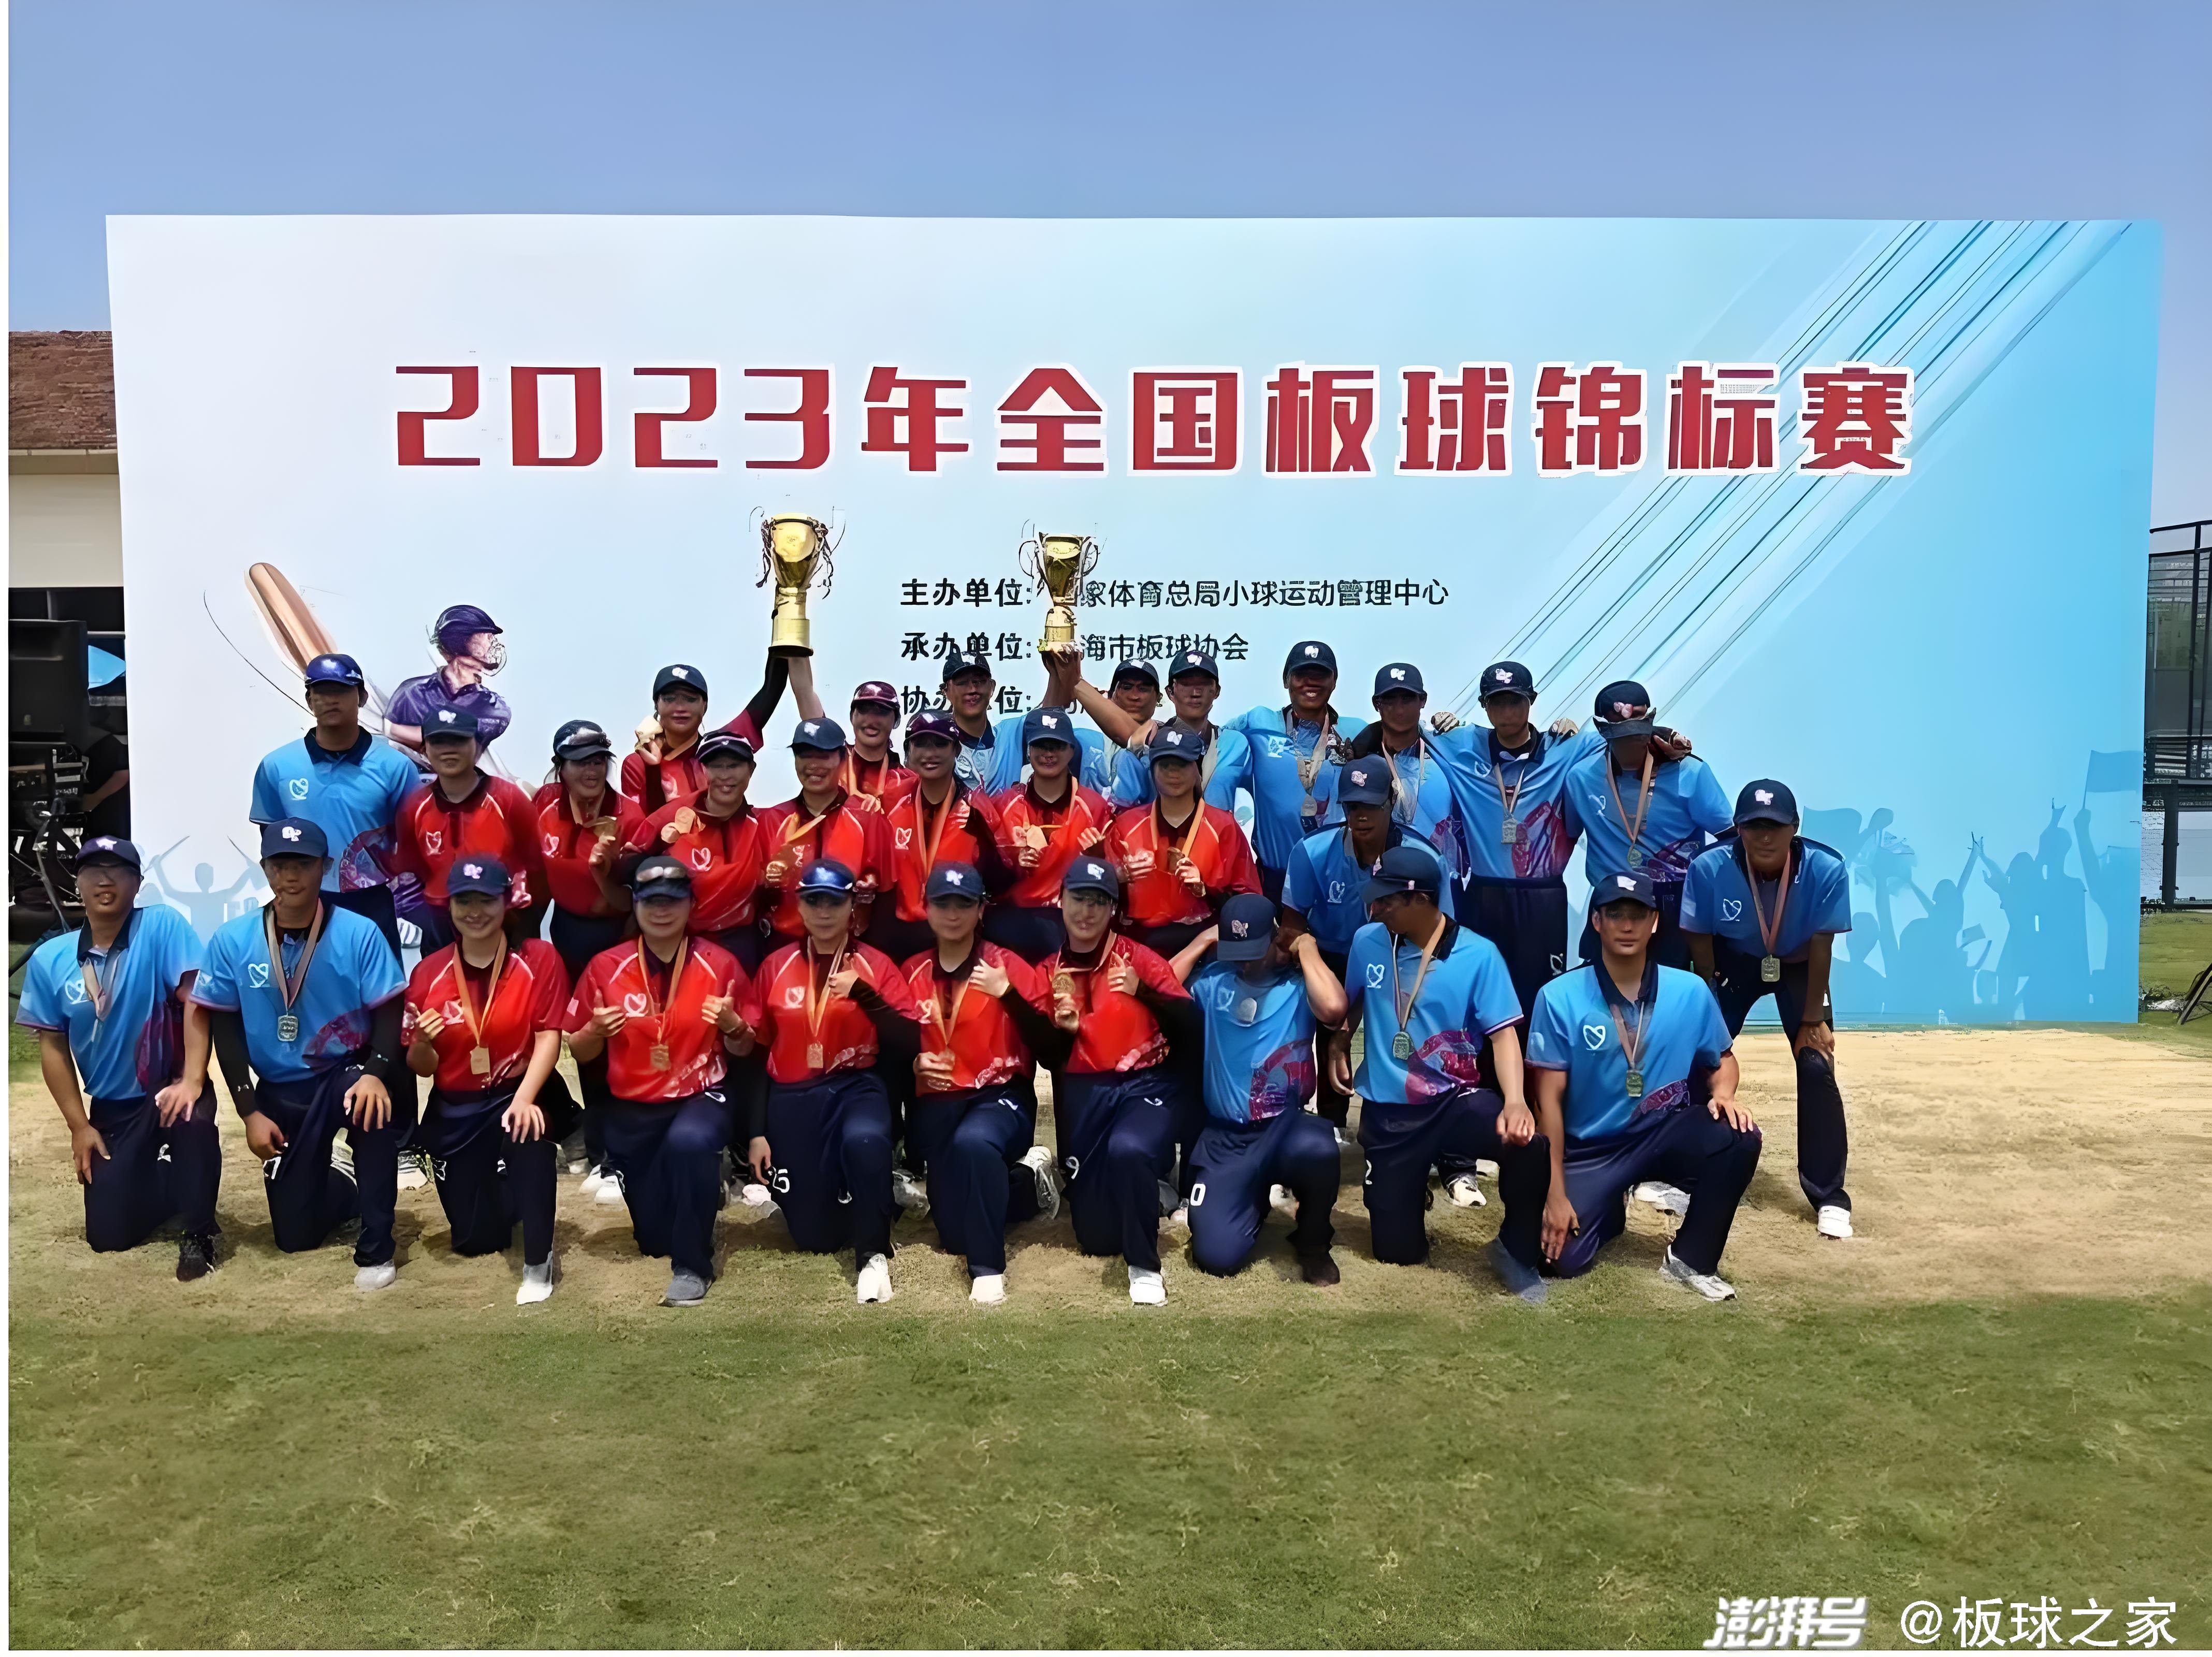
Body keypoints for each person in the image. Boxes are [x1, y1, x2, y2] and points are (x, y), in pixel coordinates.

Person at [184, 818, 411, 1290]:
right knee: (294, 1238)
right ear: (265, 867)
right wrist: (249, 1111)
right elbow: (225, 1028)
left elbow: (390, 1013)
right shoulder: (233, 939)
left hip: (343, 1072)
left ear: (324, 867)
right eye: (280, 864)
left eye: (303, 864)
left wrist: (375, 1073)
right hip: (280, 1089)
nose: (291, 876)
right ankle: (342, 1183)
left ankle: (377, 1247)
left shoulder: (359, 933)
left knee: (370, 1106)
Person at [1325, 845, 1551, 1300]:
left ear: (1422, 899)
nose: (1375, 908)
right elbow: (1355, 1000)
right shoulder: (1367, 941)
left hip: (1455, 1102)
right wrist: (1339, 1042)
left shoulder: (1479, 955)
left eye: (1387, 900)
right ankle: (1407, 1191)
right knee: (1396, 1253)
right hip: (1389, 1113)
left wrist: (1514, 1101)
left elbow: (1504, 1036)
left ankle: (1515, 1249)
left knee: (1529, 1146)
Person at [1526, 870, 1763, 1301]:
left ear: (1655, 922)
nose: (1627, 925)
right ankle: (1609, 1207)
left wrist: (1724, 1093)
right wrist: (1554, 1194)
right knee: (1558, 1260)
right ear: (1596, 921)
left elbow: (1723, 1060)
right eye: (1615, 914)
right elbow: (1548, 1105)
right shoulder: (1558, 997)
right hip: (1591, 1148)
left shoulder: (1690, 991)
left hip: (1662, 1132)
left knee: (1739, 1136)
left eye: (1638, 915)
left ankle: (1691, 1259)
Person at [16, 836, 220, 1279]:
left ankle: (199, 1231)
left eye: (119, 872)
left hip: (167, 1087)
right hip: (112, 1106)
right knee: (107, 1237)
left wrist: (193, 1080)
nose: (105, 881)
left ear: (138, 883)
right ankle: (170, 1179)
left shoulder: (161, 926)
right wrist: (79, 1127)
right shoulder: (50, 959)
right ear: (78, 884)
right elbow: (52, 1047)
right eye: (93, 872)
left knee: (193, 1117)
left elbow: (195, 1001)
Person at [563, 855, 755, 1306]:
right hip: (635, 1107)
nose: (662, 910)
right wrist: (594, 1032)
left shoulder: (720, 964)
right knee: (653, 1240)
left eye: (673, 900)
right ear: (634, 904)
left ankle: (693, 1268)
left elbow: (746, 1047)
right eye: (651, 901)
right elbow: (580, 1050)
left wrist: (733, 1026)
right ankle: (704, 1190)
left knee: (691, 1141)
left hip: (702, 1094)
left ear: (691, 904)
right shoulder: (605, 967)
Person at [743, 860, 926, 1304]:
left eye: (834, 902)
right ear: (800, 907)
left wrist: (864, 994)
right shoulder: (775, 966)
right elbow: (759, 1054)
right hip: (793, 1097)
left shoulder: (876, 964)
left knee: (865, 1141)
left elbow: (909, 1041)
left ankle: (873, 1255)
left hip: (855, 1087)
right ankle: (874, 1194)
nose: (824, 912)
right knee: (815, 1238)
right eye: (814, 901)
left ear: (852, 907)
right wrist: (756, 1132)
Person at [1682, 780, 1854, 1239]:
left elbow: (1822, 946)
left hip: (1798, 965)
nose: (1764, 836)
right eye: (1753, 826)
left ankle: (1830, 1195)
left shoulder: (1826, 868)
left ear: (1794, 828)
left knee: (1816, 1063)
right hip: (1733, 962)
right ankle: (1683, 1172)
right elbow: (1697, 934)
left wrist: (1813, 1020)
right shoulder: (1708, 866)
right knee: (1699, 1056)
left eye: (1775, 826)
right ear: (1737, 828)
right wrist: (1709, 991)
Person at [402, 857, 576, 1304]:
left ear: (507, 902)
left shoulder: (538, 958)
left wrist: (525, 1099)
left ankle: (538, 1265)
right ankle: (506, 1183)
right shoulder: (428, 973)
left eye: (486, 900)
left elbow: (548, 1036)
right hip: (455, 1109)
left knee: (529, 1131)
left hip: (512, 1093)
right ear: (449, 906)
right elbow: (423, 1066)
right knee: (475, 1240)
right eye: (464, 901)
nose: (475, 912)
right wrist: (422, 1042)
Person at [898, 862, 1067, 1303]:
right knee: (955, 1233)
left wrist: (1008, 994)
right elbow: (893, 1047)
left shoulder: (1008, 965)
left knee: (976, 1143)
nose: (953, 914)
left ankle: (988, 1271)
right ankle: (1029, 1184)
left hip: (1000, 1097)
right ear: (927, 909)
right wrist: (913, 1063)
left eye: (964, 903)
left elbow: (1051, 1049)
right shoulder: (912, 971)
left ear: (981, 910)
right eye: (943, 903)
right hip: (940, 1105)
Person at [1038, 857, 1201, 1305]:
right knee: (1096, 1239)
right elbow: (1046, 1057)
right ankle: (1151, 1190)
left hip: (1144, 1087)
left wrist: (1143, 991)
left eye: (1099, 901)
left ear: (1113, 909)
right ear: (1060, 900)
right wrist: (1062, 1031)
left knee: (1129, 1149)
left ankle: (1145, 1268)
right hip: (1085, 1093)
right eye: (1078, 899)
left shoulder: (1139, 959)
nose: (1086, 911)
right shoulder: (1048, 971)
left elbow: (1193, 1027)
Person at [1176, 893, 1349, 1284]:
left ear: (1275, 941)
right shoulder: (1214, 982)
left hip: (1285, 1127)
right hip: (1227, 1139)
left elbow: (1335, 1008)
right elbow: (1161, 987)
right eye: (1236, 952)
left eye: (1254, 952)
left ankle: (1313, 1242)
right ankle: (1250, 1200)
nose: (1244, 962)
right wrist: (1203, 941)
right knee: (1216, 1257)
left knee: (1320, 1149)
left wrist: (1307, 946)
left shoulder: (1298, 986)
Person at [1279, 758, 1454, 1132]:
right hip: (1332, 956)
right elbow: (1291, 928)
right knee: (1328, 1012)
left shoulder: (1425, 858)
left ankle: (1410, 1115)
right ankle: (1329, 1123)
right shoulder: (1312, 851)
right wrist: (1313, 964)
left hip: (1399, 956)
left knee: (1408, 1023)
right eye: (1353, 805)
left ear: (1390, 802)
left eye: (1372, 805)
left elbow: (1441, 936)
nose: (1361, 816)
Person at [532, 719, 645, 1196]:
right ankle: (597, 1148)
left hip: (619, 934)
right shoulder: (543, 807)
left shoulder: (630, 816)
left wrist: (607, 874)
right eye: (580, 762)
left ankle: (625, 1148)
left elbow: (634, 900)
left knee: (623, 1038)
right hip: (567, 930)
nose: (591, 770)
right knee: (583, 1039)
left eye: (599, 760)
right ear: (561, 768)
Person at [248, 651, 417, 956]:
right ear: (309, 700)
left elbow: (412, 842)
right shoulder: (277, 766)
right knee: (304, 984)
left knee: (381, 986)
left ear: (362, 697)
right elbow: (272, 842)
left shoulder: (396, 767)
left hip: (372, 901)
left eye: (341, 690)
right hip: (303, 902)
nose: (331, 700)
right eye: (322, 692)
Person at [1563, 680, 1732, 969]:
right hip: (1612, 897)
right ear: (1603, 732)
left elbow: (1730, 839)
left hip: (1673, 899)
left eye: (1639, 734)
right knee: (1603, 986)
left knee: (1672, 986)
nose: (1632, 744)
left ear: (1651, 726)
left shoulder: (1688, 772)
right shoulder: (1581, 778)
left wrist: (1709, 893)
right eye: (1621, 737)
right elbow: (1567, 834)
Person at [1219, 641, 1365, 899]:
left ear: (1334, 681)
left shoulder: (1356, 731)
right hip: (1275, 876)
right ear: (1286, 680)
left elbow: (1400, 738)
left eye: (1321, 675)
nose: (1311, 682)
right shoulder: (1258, 721)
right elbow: (1209, 736)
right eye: (1301, 674)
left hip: (1338, 877)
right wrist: (1165, 728)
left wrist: (1434, 729)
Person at [389, 707, 544, 949]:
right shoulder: (414, 808)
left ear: (478, 747)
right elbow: (412, 871)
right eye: (438, 741)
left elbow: (538, 872)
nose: (449, 749)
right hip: (442, 931)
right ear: (424, 749)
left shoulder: (510, 801)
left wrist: (524, 933)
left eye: (459, 740)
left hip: (504, 927)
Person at [1104, 725, 1262, 960]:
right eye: (1165, 765)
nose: (1173, 773)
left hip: (1206, 951)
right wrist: (1118, 877)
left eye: (1182, 764)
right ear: (1152, 770)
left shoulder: (1224, 827)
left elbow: (1249, 900)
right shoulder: (1126, 826)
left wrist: (1206, 889)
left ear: (1198, 770)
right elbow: (1098, 897)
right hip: (1138, 950)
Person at [868, 709, 1010, 964]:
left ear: (957, 750)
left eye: (940, 744)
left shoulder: (978, 811)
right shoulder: (888, 800)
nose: (930, 753)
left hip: (952, 936)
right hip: (895, 934)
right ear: (908, 750)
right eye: (921, 744)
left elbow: (1001, 883)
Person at [627, 730, 771, 968]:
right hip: (680, 943)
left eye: (734, 766)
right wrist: (606, 863)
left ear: (751, 769)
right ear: (703, 769)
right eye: (716, 766)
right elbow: (628, 868)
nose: (725, 775)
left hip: (741, 943)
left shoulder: (763, 823)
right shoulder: (673, 815)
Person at [983, 706, 1116, 964]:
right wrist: (1012, 862)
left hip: (1074, 920)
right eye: (1041, 745)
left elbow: (1114, 879)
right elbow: (988, 877)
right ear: (1028, 751)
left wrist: (1099, 857)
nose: (1048, 753)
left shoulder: (1095, 808)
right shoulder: (1003, 806)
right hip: (1013, 919)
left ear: (1072, 750)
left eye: (1057, 746)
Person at [756, 718, 893, 945]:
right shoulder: (772, 820)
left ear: (843, 759)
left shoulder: (867, 819)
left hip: (849, 948)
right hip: (784, 947)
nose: (813, 765)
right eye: (804, 755)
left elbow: (887, 893)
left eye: (823, 755)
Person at [623, 658, 792, 813]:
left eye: (690, 699)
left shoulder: (723, 746)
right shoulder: (637, 765)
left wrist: (785, 640)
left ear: (705, 705)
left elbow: (771, 690)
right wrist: (653, 770)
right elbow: (637, 827)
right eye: (670, 699)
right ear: (656, 704)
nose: (680, 708)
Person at [1096, 649, 1252, 812]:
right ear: (1170, 692)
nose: (1195, 693)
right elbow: (1124, 806)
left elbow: (1223, 801)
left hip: (1215, 828)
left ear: (1217, 691)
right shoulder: (1151, 740)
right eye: (1186, 684)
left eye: (1204, 683)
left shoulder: (1233, 743)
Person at [1363, 662, 1464, 878]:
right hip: (1388, 883)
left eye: (1407, 699)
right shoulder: (1362, 759)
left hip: (1446, 880)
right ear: (1376, 704)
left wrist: (1459, 733)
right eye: (1389, 700)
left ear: (1423, 700)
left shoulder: (1445, 750)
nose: (1399, 710)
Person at [385, 604, 514, 755]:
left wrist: (404, 732)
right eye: (489, 637)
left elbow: (453, 742)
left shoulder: (495, 708)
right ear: (463, 640)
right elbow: (388, 732)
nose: (496, 644)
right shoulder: (411, 692)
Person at [1047, 652, 1162, 796]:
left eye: (1143, 689)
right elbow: (1046, 736)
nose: (1134, 696)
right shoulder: (1085, 742)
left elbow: (1132, 737)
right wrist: (1056, 675)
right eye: (1127, 687)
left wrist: (1075, 682)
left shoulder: (1167, 738)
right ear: (1111, 695)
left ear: (1158, 698)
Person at [837, 679, 919, 808]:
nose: (872, 720)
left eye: (882, 711)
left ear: (896, 721)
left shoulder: (908, 782)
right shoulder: (833, 765)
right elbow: (806, 692)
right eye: (864, 709)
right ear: (852, 716)